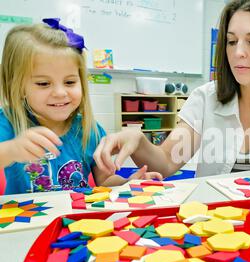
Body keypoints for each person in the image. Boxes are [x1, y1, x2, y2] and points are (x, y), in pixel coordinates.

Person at [94, 0, 250, 194]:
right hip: (215, 222)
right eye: (231, 41)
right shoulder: (205, 98)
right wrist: (138, 140)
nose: (238, 52)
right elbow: (165, 163)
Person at [0, 19, 161, 194]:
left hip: (77, 219)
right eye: (43, 83)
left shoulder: (89, 130)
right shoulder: (7, 123)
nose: (60, 92)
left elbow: (104, 180)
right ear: (18, 85)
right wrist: (11, 150)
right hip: (28, 220)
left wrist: (128, 183)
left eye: (70, 82)